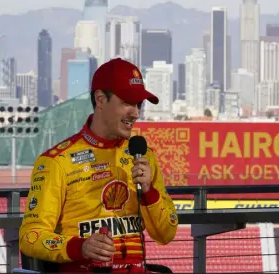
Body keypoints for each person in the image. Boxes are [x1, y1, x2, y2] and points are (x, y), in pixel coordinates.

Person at [19, 58, 179, 273]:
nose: (135, 113)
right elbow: (30, 237)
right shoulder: (57, 161)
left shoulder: (144, 156)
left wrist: (149, 192)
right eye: (127, 102)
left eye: (138, 104)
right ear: (101, 99)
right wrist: (80, 247)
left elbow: (166, 234)